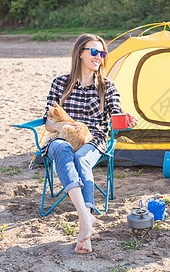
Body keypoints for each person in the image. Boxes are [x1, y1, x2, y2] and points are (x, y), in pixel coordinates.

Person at [43, 34, 138, 254]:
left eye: (102, 53)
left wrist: (126, 119)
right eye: (94, 52)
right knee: (62, 149)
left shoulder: (107, 87)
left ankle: (84, 225)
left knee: (80, 158)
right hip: (60, 137)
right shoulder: (60, 83)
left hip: (93, 138)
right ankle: (86, 217)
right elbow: (48, 122)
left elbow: (116, 116)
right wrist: (64, 128)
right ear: (80, 53)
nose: (99, 57)